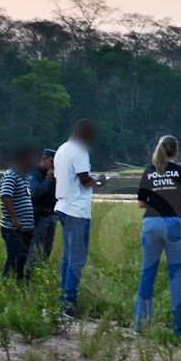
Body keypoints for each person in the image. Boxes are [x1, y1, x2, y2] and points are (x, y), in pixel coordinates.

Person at [134, 135, 181, 335]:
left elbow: (141, 203)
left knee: (147, 274)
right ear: (176, 152)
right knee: (176, 277)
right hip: (175, 224)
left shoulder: (149, 171)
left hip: (151, 223)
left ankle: (141, 326)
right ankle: (178, 327)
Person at [54, 119, 108, 317]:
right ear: (85, 133)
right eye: (91, 135)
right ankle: (68, 303)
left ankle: (64, 300)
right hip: (77, 210)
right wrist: (100, 180)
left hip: (63, 206)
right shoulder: (80, 151)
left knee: (68, 257)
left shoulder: (61, 149)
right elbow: (85, 181)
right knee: (77, 259)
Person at [0, 147, 37, 280]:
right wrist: (14, 219)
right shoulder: (11, 175)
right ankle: (4, 283)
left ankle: (18, 284)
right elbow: (6, 197)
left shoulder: (25, 176)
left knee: (22, 259)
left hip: (27, 228)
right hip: (14, 227)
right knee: (13, 259)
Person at [25, 148, 58, 273]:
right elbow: (34, 192)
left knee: (47, 248)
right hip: (39, 217)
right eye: (52, 162)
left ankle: (39, 273)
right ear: (44, 159)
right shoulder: (34, 173)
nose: (54, 165)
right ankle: (29, 275)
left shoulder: (51, 175)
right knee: (36, 247)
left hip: (51, 216)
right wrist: (48, 179)